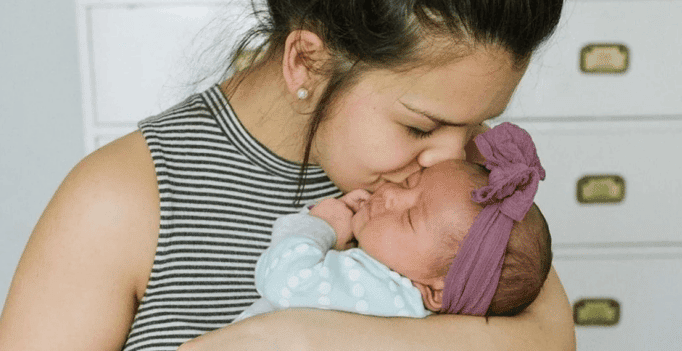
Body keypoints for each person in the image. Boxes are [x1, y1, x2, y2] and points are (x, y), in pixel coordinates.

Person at [0, 0, 575, 350]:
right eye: (419, 125)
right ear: (308, 63)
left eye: (478, 122)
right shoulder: (121, 200)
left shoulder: (452, 187)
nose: (456, 153)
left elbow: (550, 337)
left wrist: (291, 336)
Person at [234, 123, 551, 322]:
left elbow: (285, 281)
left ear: (436, 292)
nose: (390, 197)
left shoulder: (387, 293)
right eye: (408, 183)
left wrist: (323, 225)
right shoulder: (393, 297)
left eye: (410, 217)